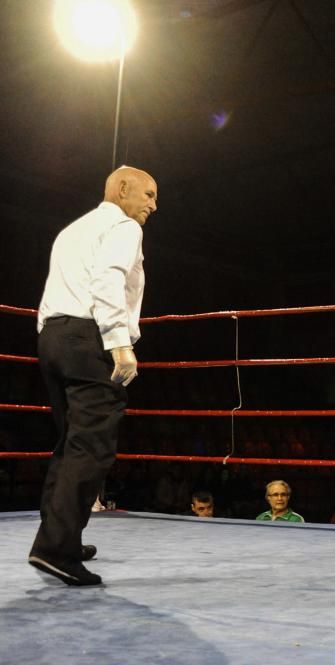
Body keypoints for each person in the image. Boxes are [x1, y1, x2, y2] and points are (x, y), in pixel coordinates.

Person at [28, 166, 158, 587]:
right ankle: (56, 549)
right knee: (92, 447)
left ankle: (57, 537)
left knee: (70, 445)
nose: (153, 205)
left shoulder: (72, 229)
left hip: (53, 338)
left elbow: (56, 290)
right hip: (90, 339)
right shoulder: (122, 226)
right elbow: (107, 280)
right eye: (149, 194)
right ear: (122, 189)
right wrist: (120, 343)